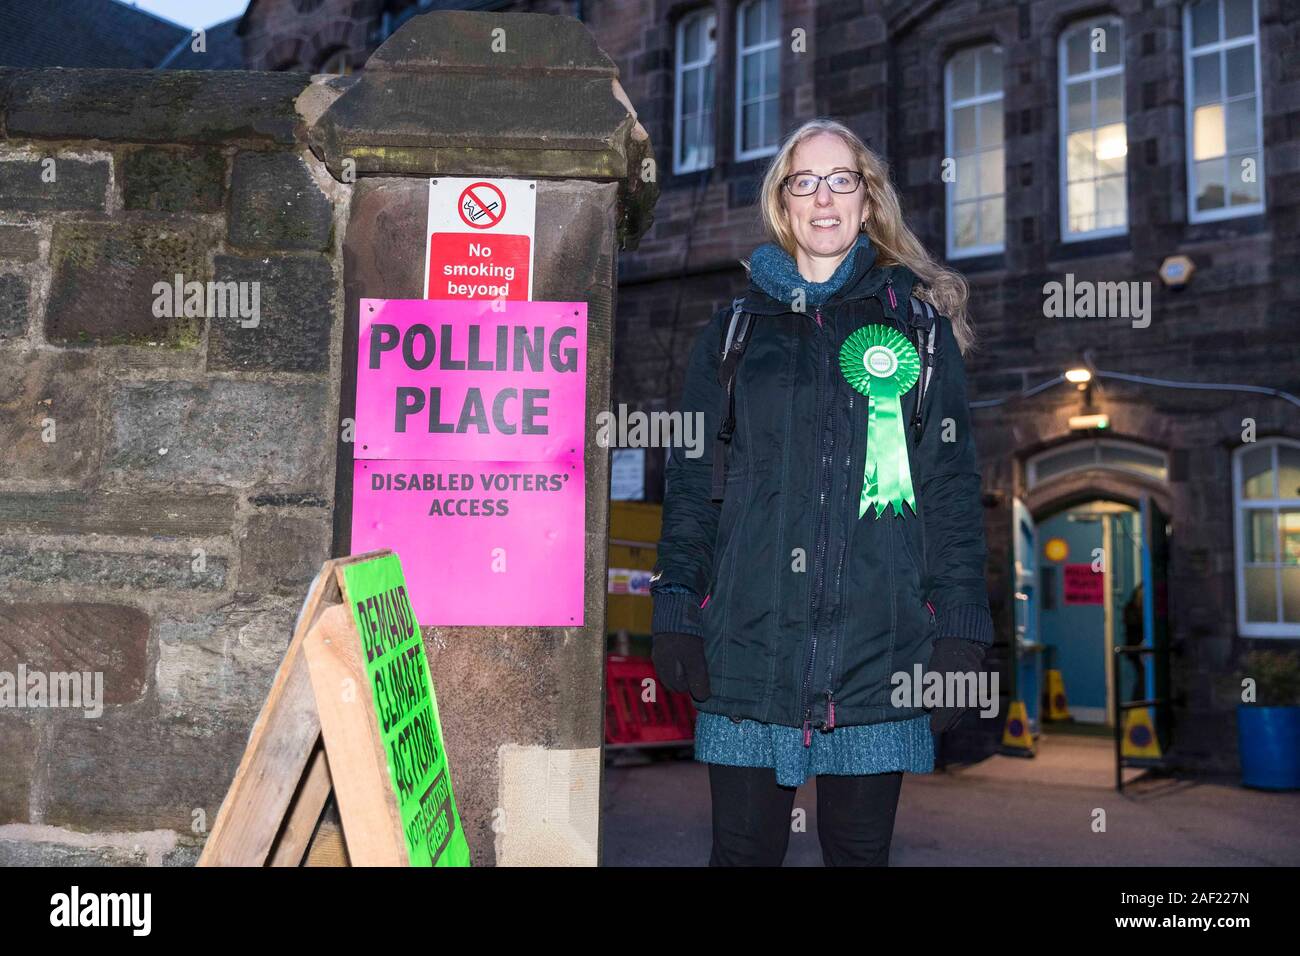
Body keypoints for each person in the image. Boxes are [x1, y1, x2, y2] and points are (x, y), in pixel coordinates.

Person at [649, 118, 993, 867]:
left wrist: (963, 624)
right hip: (748, 646)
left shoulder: (919, 332)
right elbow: (691, 480)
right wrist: (676, 598)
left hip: (878, 650)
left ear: (868, 201)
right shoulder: (734, 332)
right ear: (783, 203)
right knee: (739, 855)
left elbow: (950, 489)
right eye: (805, 181)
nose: (824, 197)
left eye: (843, 180)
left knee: (860, 856)